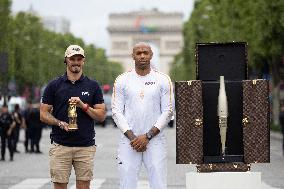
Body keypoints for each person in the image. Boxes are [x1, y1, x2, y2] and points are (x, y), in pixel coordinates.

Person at [40, 44, 106, 189]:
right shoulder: (54, 85)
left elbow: (101, 116)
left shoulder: (93, 86)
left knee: (83, 186)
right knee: (59, 186)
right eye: (72, 59)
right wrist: (59, 123)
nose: (75, 62)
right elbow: (43, 114)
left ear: (83, 61)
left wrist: (84, 106)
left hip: (85, 146)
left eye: (79, 59)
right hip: (60, 145)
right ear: (66, 60)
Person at [112, 42, 174, 189]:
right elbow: (116, 111)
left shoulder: (163, 79)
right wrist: (133, 138)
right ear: (132, 56)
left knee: (159, 184)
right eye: (138, 53)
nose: (142, 56)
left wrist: (147, 136)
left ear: (151, 55)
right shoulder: (121, 80)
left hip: (155, 140)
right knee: (126, 184)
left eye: (145, 52)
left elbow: (168, 111)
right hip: (129, 141)